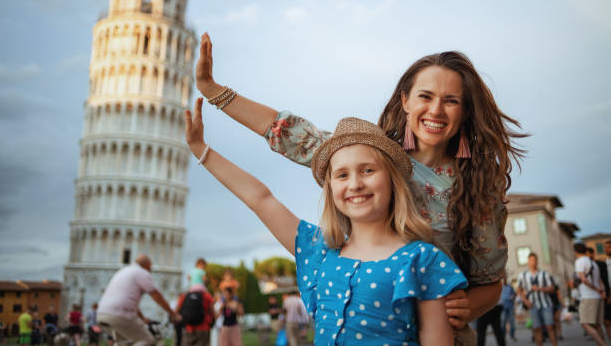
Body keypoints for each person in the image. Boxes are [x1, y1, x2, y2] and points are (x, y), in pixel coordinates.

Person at [194, 33, 526, 336]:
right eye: (425, 96)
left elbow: (490, 283)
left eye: (451, 100)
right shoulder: (373, 158)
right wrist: (214, 92)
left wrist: (469, 306)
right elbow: (286, 131)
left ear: (465, 110)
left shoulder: (478, 190)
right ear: (406, 100)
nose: (435, 110)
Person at [185, 103, 468, 345]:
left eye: (368, 170)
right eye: (342, 175)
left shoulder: (422, 260)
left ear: (392, 182)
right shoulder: (319, 250)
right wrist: (202, 151)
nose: (355, 184)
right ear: (331, 188)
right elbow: (261, 199)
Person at [97, 254, 181, 346]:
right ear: (146, 265)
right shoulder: (141, 272)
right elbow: (155, 294)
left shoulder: (124, 271)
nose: (150, 270)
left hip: (102, 314)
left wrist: (143, 318)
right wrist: (173, 313)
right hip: (119, 315)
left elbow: (130, 303)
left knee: (125, 342)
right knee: (147, 340)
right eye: (150, 267)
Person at [516, 253, 557, 346]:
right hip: (532, 305)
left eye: (534, 260)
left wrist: (539, 288)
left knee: (550, 327)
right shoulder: (523, 275)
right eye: (531, 260)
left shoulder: (544, 274)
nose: (533, 262)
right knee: (537, 329)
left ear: (537, 261)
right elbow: (518, 291)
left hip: (546, 304)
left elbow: (552, 288)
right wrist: (526, 301)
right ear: (528, 262)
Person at [574, 242, 606, 345]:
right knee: (597, 325)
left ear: (575, 252)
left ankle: (603, 344)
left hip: (588, 297)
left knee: (584, 323)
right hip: (597, 297)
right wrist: (602, 291)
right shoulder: (593, 262)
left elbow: (583, 279)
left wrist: (596, 289)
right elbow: (600, 279)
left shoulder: (579, 261)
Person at [500, 277, 516, 341]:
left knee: (512, 321)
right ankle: (503, 337)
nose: (504, 280)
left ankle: (512, 336)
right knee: (503, 322)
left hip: (510, 306)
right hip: (502, 307)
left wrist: (513, 297)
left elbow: (514, 294)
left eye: (505, 279)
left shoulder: (510, 287)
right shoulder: (500, 287)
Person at [605, 240, 611, 339]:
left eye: (609, 247)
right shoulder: (606, 263)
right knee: (607, 321)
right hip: (608, 295)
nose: (606, 250)